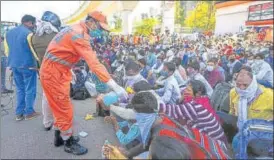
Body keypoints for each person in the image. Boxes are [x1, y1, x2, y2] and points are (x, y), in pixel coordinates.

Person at [39, 11, 127, 155]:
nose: (100, 32)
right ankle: (68, 142)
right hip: (54, 74)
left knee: (59, 106)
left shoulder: (73, 29)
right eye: (100, 28)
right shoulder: (79, 35)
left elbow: (60, 51)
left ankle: (59, 137)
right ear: (91, 22)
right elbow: (94, 64)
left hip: (55, 71)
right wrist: (115, 86)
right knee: (64, 109)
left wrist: (68, 68)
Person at [217, 66, 273, 156]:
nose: (241, 88)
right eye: (238, 84)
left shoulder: (269, 95)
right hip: (240, 123)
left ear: (253, 83)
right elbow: (232, 112)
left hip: (259, 129)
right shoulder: (233, 92)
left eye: (245, 85)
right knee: (217, 116)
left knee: (237, 141)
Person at [29, 11, 61, 130]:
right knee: (59, 98)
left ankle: (47, 122)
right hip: (57, 71)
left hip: (43, 70)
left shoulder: (33, 37)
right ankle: (59, 123)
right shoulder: (57, 36)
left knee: (46, 97)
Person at [5, 15, 40, 121]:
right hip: (28, 65)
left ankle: (19, 113)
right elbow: (33, 50)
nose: (34, 26)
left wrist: (12, 62)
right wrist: (38, 64)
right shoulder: (29, 33)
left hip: (14, 65)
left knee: (20, 89)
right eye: (33, 24)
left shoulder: (8, 33)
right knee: (30, 89)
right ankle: (29, 112)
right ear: (29, 22)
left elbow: (7, 50)